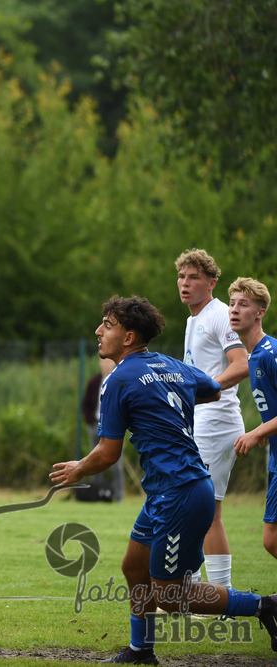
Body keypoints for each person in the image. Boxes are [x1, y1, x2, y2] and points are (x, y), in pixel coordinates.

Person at [50, 296, 276, 664]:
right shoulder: (172, 365)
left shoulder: (118, 379)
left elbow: (108, 453)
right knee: (133, 567)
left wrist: (78, 468)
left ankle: (264, 605)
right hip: (170, 490)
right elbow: (213, 389)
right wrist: (166, 397)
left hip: (180, 492)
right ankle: (141, 651)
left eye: (107, 324)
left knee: (171, 597)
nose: (98, 331)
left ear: (128, 337)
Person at [175, 248, 249, 588]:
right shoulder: (194, 318)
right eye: (181, 277)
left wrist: (203, 389)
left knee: (206, 512)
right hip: (200, 421)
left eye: (194, 278)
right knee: (197, 510)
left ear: (212, 283)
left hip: (217, 421)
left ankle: (220, 595)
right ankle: (201, 592)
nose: (185, 284)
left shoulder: (219, 314)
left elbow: (241, 363)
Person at [229, 277, 277, 563]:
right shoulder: (253, 357)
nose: (234, 309)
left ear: (260, 312)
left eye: (243, 304)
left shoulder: (271, 353)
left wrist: (256, 432)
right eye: (232, 303)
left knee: (271, 539)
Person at [80, 357, 123, 502]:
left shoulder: (119, 380)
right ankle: (96, 494)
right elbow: (85, 404)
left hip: (113, 426)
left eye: (109, 361)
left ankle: (118, 496)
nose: (106, 364)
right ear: (99, 363)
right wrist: (89, 422)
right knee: (94, 461)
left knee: (116, 463)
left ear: (114, 362)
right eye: (103, 361)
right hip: (95, 425)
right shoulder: (94, 382)